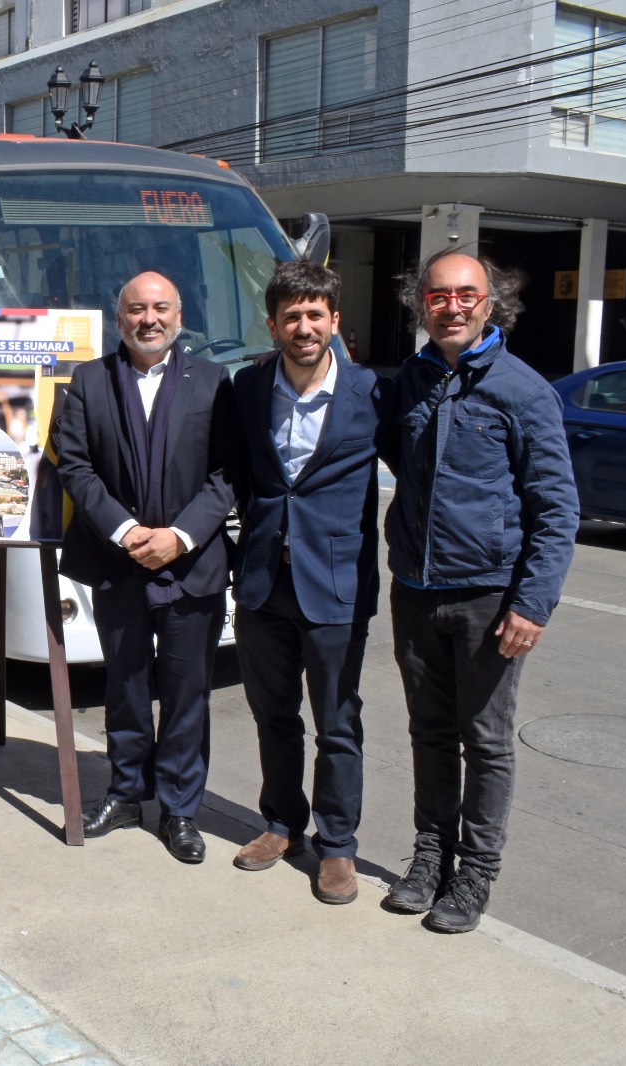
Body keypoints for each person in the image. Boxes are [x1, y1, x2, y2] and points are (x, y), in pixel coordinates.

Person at [381, 249, 578, 932]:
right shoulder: (412, 378)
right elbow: (395, 459)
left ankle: (474, 877)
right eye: (438, 296)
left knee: (485, 740)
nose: (452, 305)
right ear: (422, 305)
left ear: (492, 302)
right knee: (429, 733)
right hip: (414, 591)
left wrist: (532, 603)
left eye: (466, 294)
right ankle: (430, 859)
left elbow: (557, 508)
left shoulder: (524, 391)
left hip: (489, 599)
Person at [54, 271, 238, 862]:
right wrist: (129, 531)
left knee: (187, 695)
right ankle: (127, 792)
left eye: (161, 308)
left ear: (179, 317)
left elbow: (229, 473)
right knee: (125, 687)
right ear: (119, 319)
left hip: (192, 566)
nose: (149, 319)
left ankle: (181, 810)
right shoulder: (88, 381)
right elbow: (75, 467)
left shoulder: (214, 382)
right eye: (137, 309)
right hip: (118, 561)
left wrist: (180, 537)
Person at [230, 260, 390, 904]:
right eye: (291, 315)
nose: (303, 326)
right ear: (273, 324)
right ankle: (281, 824)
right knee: (272, 714)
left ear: (334, 322)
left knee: (337, 723)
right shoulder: (247, 387)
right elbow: (236, 472)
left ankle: (338, 846)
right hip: (264, 580)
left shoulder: (373, 393)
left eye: (314, 315)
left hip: (336, 583)